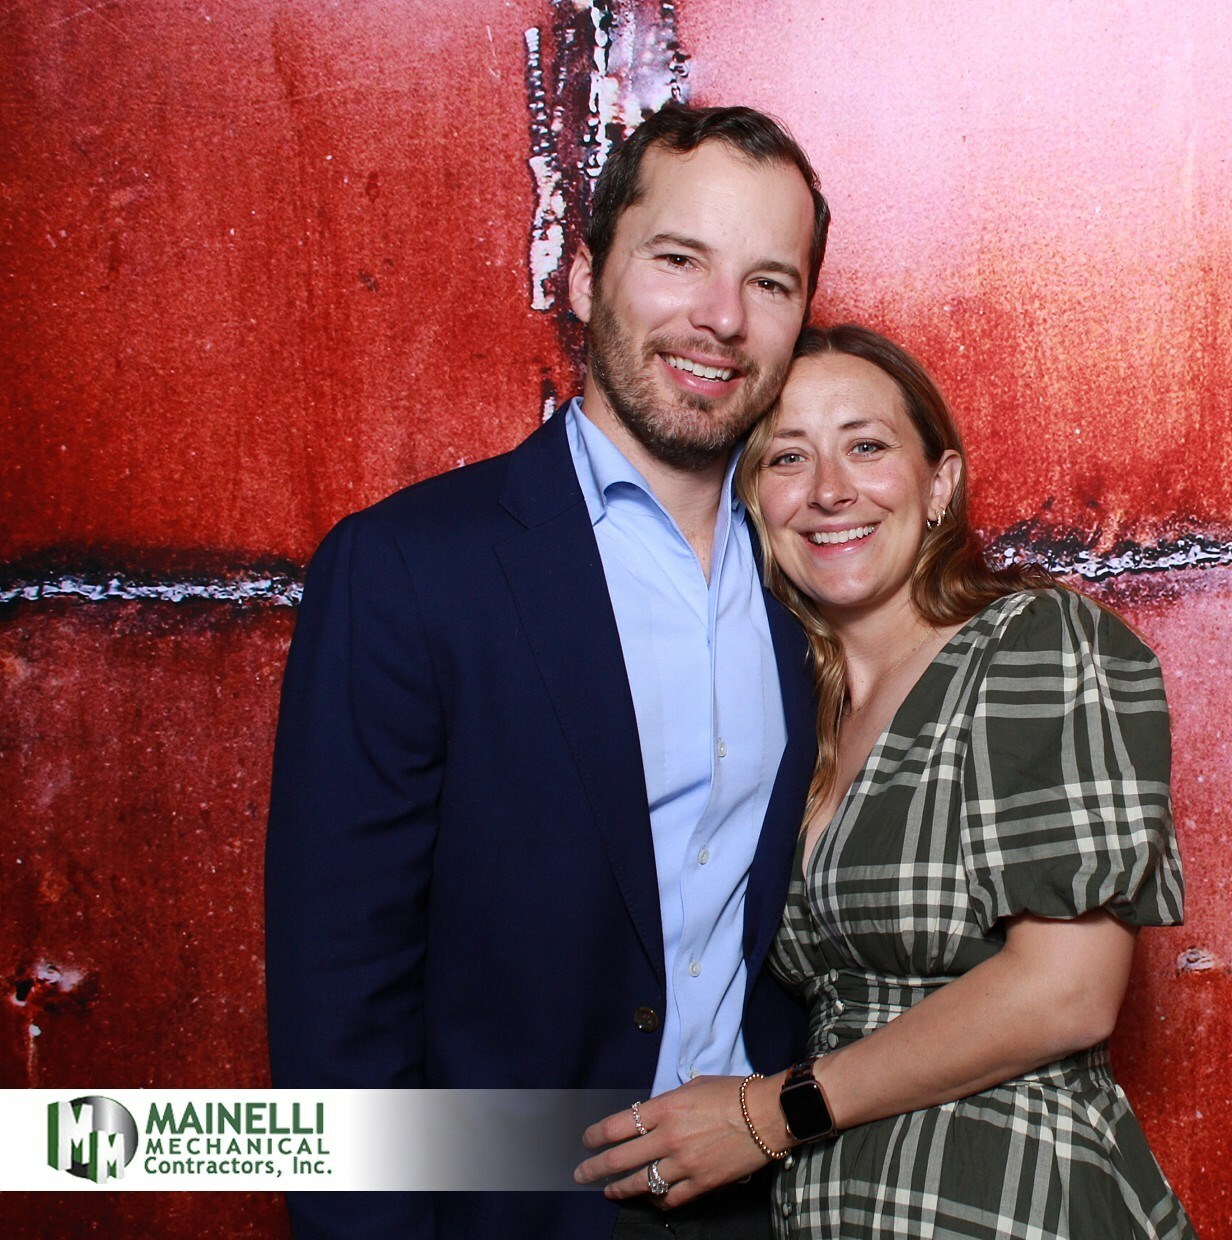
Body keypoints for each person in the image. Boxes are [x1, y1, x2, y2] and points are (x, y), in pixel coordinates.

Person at [265, 104, 830, 1240]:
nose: (722, 317)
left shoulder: (817, 578)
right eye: (679, 260)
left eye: (768, 282)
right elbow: (340, 995)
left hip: (772, 1202)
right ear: (583, 276)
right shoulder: (408, 568)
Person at [575, 324, 1196, 1239]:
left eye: (866, 446)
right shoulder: (789, 716)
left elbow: (1067, 991)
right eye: (788, 457)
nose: (830, 490)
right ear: (753, 501)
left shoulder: (1034, 644)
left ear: (939, 484)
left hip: (1004, 1197)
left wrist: (766, 1115)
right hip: (832, 1204)